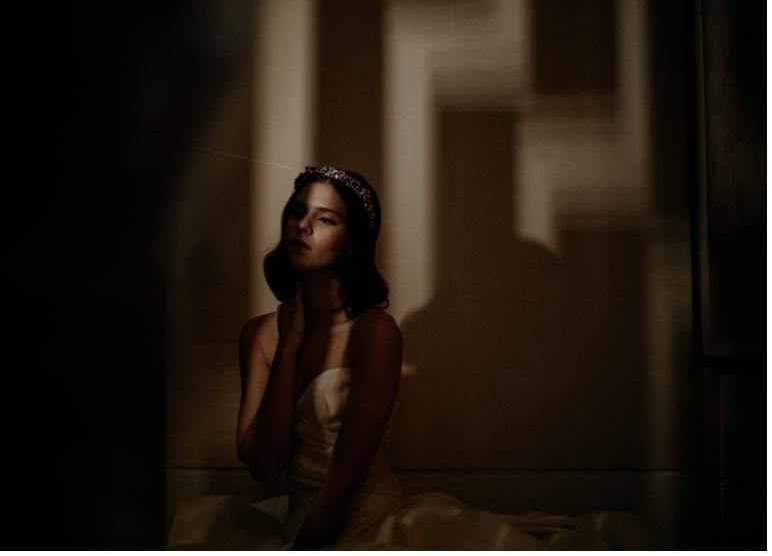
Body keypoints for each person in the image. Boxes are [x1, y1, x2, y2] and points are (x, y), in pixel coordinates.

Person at [168, 165, 670, 550]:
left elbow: (346, 477)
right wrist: (291, 345)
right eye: (297, 212)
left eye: (325, 219)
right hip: (295, 520)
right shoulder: (258, 335)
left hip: (364, 524)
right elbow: (263, 463)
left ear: (351, 242)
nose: (303, 225)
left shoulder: (375, 332)